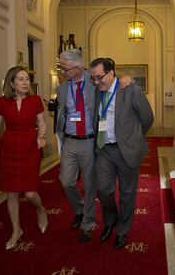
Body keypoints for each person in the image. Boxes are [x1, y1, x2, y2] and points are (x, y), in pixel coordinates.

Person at [56, 49, 131, 243]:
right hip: (70, 140)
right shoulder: (62, 88)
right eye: (61, 68)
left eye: (65, 69)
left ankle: (87, 224)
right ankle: (80, 209)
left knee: (90, 185)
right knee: (66, 181)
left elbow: (110, 78)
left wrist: (125, 77)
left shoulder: (93, 83)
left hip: (90, 141)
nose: (63, 72)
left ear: (78, 67)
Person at [90, 57, 154, 249]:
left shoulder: (130, 89)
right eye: (93, 78)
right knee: (103, 189)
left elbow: (147, 118)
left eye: (99, 77)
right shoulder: (97, 91)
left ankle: (123, 230)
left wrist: (133, 138)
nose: (96, 82)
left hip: (126, 150)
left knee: (127, 194)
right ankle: (111, 221)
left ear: (111, 73)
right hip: (104, 149)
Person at [0, 66, 48, 250]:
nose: (25, 83)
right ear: (11, 83)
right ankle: (16, 230)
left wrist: (41, 136)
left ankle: (40, 209)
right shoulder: (2, 102)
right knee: (12, 193)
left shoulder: (35, 100)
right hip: (9, 149)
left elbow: (42, 123)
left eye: (26, 79)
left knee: (29, 193)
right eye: (20, 79)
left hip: (30, 148)